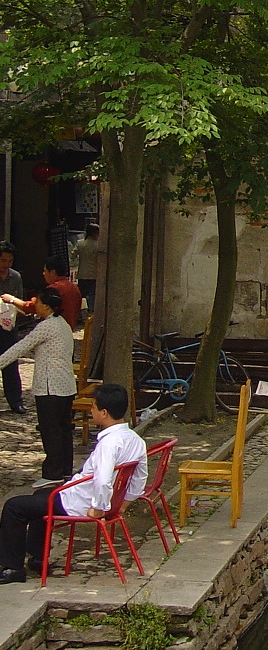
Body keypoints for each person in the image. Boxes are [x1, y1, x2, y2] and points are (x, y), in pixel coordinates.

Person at [0, 382, 146, 584]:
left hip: (81, 502)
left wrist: (98, 509)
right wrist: (124, 503)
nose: (91, 410)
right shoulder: (136, 439)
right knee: (40, 497)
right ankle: (38, 558)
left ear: (103, 412)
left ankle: (13, 567)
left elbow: (103, 481)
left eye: (93, 406)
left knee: (13, 507)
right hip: (91, 496)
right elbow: (140, 477)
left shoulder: (110, 443)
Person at [0, 287, 76, 486]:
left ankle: (52, 472)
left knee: (51, 429)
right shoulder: (63, 324)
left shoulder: (47, 326)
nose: (37, 306)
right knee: (63, 429)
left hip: (51, 386)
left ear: (47, 306)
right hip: (66, 385)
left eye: (39, 303)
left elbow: (21, 347)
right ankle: (65, 469)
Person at [7, 257, 81, 328]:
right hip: (68, 330)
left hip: (54, 331)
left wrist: (11, 299)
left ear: (52, 272)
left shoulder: (54, 289)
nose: (43, 273)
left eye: (45, 270)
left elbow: (32, 307)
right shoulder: (74, 288)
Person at [0, 242, 26, 413]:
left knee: (10, 364)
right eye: (3, 260)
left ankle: (15, 401)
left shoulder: (15, 277)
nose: (6, 264)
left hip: (8, 328)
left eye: (9, 261)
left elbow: (20, 302)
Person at [72, 224, 99, 314]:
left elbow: (73, 255)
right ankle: (91, 312)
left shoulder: (80, 243)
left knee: (81, 294)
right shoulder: (98, 245)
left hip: (82, 273)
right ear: (94, 233)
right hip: (94, 274)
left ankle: (77, 310)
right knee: (92, 294)